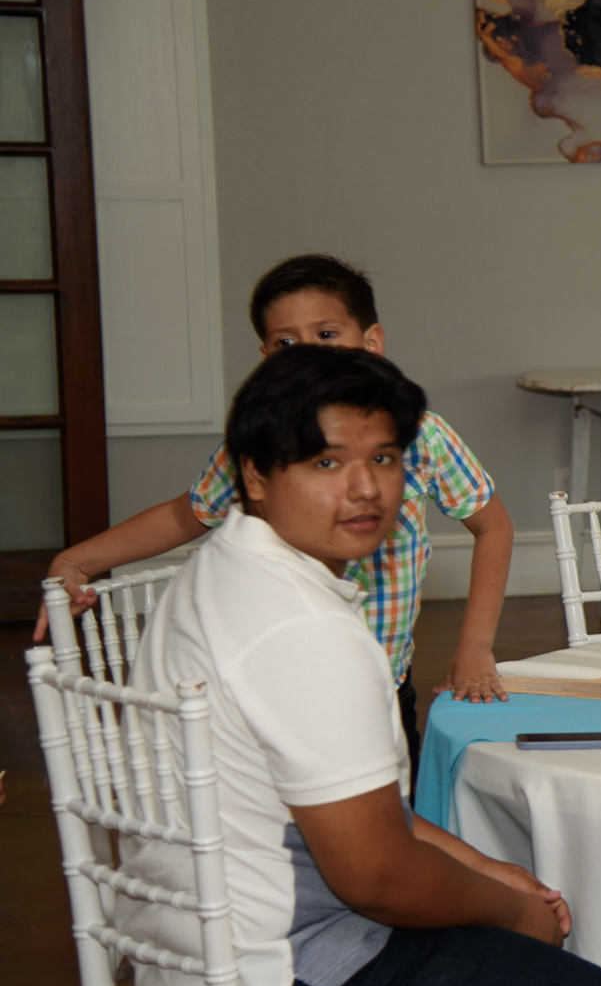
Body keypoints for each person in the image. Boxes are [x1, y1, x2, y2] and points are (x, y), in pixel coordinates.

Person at [121, 345, 601, 986]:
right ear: (253, 475)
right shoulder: (303, 629)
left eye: (384, 458)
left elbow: (347, 810)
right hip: (286, 979)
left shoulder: (223, 572)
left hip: (190, 949)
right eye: (326, 462)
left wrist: (485, 870)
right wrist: (509, 911)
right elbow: (377, 878)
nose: (365, 489)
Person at [37, 254, 516, 769]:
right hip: (279, 692)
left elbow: (492, 526)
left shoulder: (422, 435)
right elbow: (187, 514)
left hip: (381, 683)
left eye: (326, 334)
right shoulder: (258, 446)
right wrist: (78, 561)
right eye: (287, 343)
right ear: (268, 358)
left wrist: (475, 647)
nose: (307, 353)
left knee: (394, 805)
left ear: (372, 342)